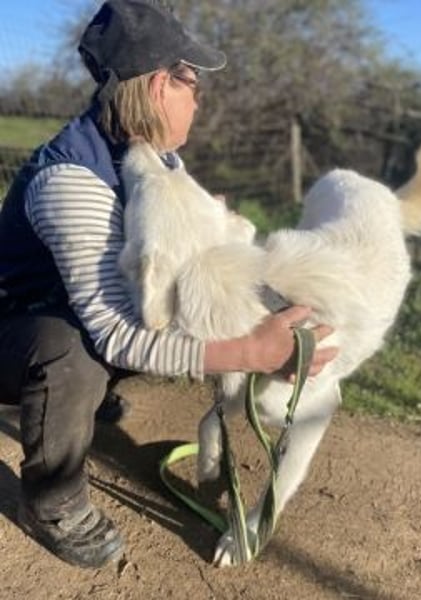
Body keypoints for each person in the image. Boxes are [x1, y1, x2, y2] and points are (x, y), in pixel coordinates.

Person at [0, 0, 337, 569]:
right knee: (74, 352)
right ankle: (53, 503)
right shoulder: (70, 180)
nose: (198, 100)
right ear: (161, 85)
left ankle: (81, 402)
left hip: (72, 307)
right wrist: (250, 352)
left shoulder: (157, 159)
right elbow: (114, 332)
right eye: (193, 84)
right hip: (17, 328)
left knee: (144, 314)